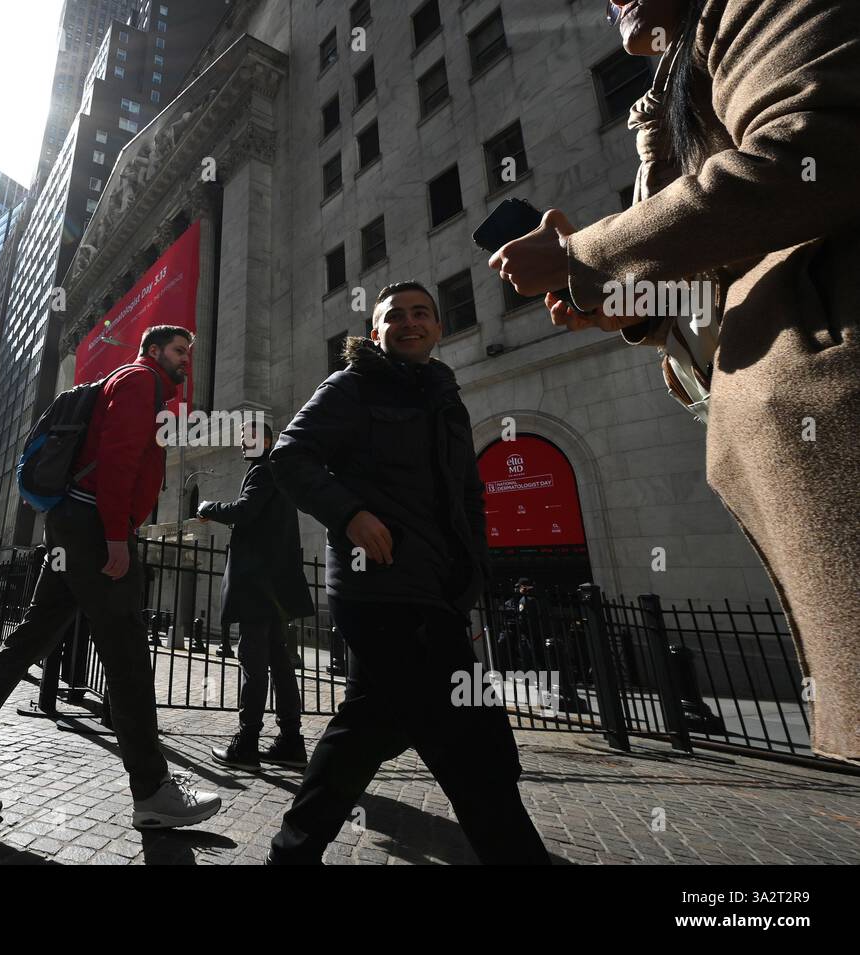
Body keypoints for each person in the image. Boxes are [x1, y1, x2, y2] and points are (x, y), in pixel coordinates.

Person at [489, 0, 860, 762]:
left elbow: (810, 153)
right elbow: (719, 272)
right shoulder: (664, 92)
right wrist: (618, 303)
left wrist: (586, 257)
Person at [266, 283, 549, 865]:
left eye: (422, 313)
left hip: (435, 590)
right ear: (377, 333)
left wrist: (473, 573)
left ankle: (291, 854)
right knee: (472, 743)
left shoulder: (446, 397)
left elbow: (466, 494)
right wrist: (351, 515)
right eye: (394, 316)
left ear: (438, 329)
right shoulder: (351, 386)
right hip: (381, 589)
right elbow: (289, 457)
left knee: (367, 727)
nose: (409, 322)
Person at [0, 325, 221, 830]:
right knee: (126, 657)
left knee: (27, 643)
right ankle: (153, 790)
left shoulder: (136, 384)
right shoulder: (140, 381)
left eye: (190, 351)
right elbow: (119, 461)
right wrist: (118, 536)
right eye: (179, 351)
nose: (186, 359)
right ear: (152, 350)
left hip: (73, 526)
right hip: (96, 528)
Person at [197, 420, 315, 770]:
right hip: (275, 589)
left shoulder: (263, 471)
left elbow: (246, 511)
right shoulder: (276, 473)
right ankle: (291, 741)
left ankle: (247, 742)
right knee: (279, 664)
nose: (241, 444)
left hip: (258, 588)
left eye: (246, 438)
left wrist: (207, 507)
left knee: (254, 662)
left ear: (264, 440)